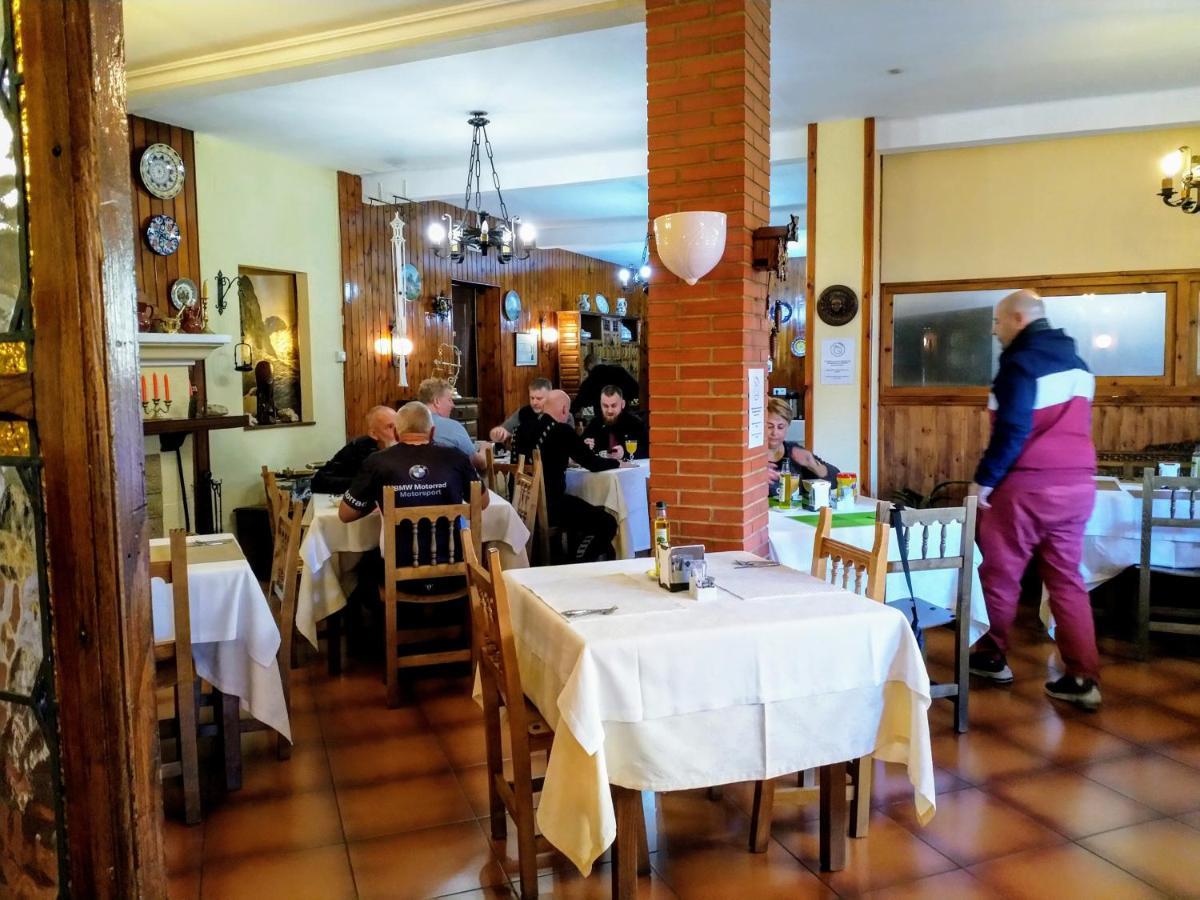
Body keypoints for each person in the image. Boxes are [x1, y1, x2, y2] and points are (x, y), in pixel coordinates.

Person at [968, 289, 1101, 711]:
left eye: (997, 322)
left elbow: (1012, 429)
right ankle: (1083, 678)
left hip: (1025, 487)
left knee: (1001, 573)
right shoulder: (1080, 366)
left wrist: (983, 482)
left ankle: (991, 656)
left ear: (1019, 320)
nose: (994, 330)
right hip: (1078, 487)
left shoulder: (1019, 363)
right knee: (1067, 580)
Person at [525, 389, 623, 562]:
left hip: (522, 504)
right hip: (550, 507)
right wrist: (617, 462)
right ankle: (578, 563)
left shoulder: (522, 429)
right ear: (564, 410)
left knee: (579, 512)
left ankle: (568, 556)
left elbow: (543, 457)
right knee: (606, 521)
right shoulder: (561, 430)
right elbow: (593, 463)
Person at [311, 405, 396, 494]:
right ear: (373, 433)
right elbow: (319, 482)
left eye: (399, 425)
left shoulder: (407, 446)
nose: (397, 431)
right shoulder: (358, 448)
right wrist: (362, 483)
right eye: (390, 427)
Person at [765, 397, 838, 490]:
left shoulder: (794, 451)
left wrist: (814, 466)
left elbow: (836, 480)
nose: (774, 433)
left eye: (780, 427)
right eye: (769, 427)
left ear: (788, 427)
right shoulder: (750, 457)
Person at [417, 376, 487, 469]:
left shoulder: (406, 425)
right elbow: (477, 463)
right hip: (448, 481)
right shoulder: (452, 427)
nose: (453, 405)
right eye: (449, 399)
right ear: (437, 401)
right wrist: (485, 448)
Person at [489, 377, 573, 443]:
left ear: (549, 397)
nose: (534, 402)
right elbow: (504, 431)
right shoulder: (524, 412)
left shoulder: (563, 414)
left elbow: (569, 443)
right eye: (532, 398)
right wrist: (497, 433)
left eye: (539, 398)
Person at [581, 385, 647, 459]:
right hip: (600, 469)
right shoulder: (595, 423)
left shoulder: (636, 424)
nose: (609, 411)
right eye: (605, 406)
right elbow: (578, 448)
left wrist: (625, 453)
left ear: (622, 404)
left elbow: (649, 451)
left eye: (614, 406)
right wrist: (584, 446)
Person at [572, 353, 640, 416]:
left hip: (603, 418)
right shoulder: (620, 371)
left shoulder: (591, 380)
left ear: (590, 365)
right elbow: (636, 389)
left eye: (587, 370)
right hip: (623, 415)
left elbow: (579, 402)